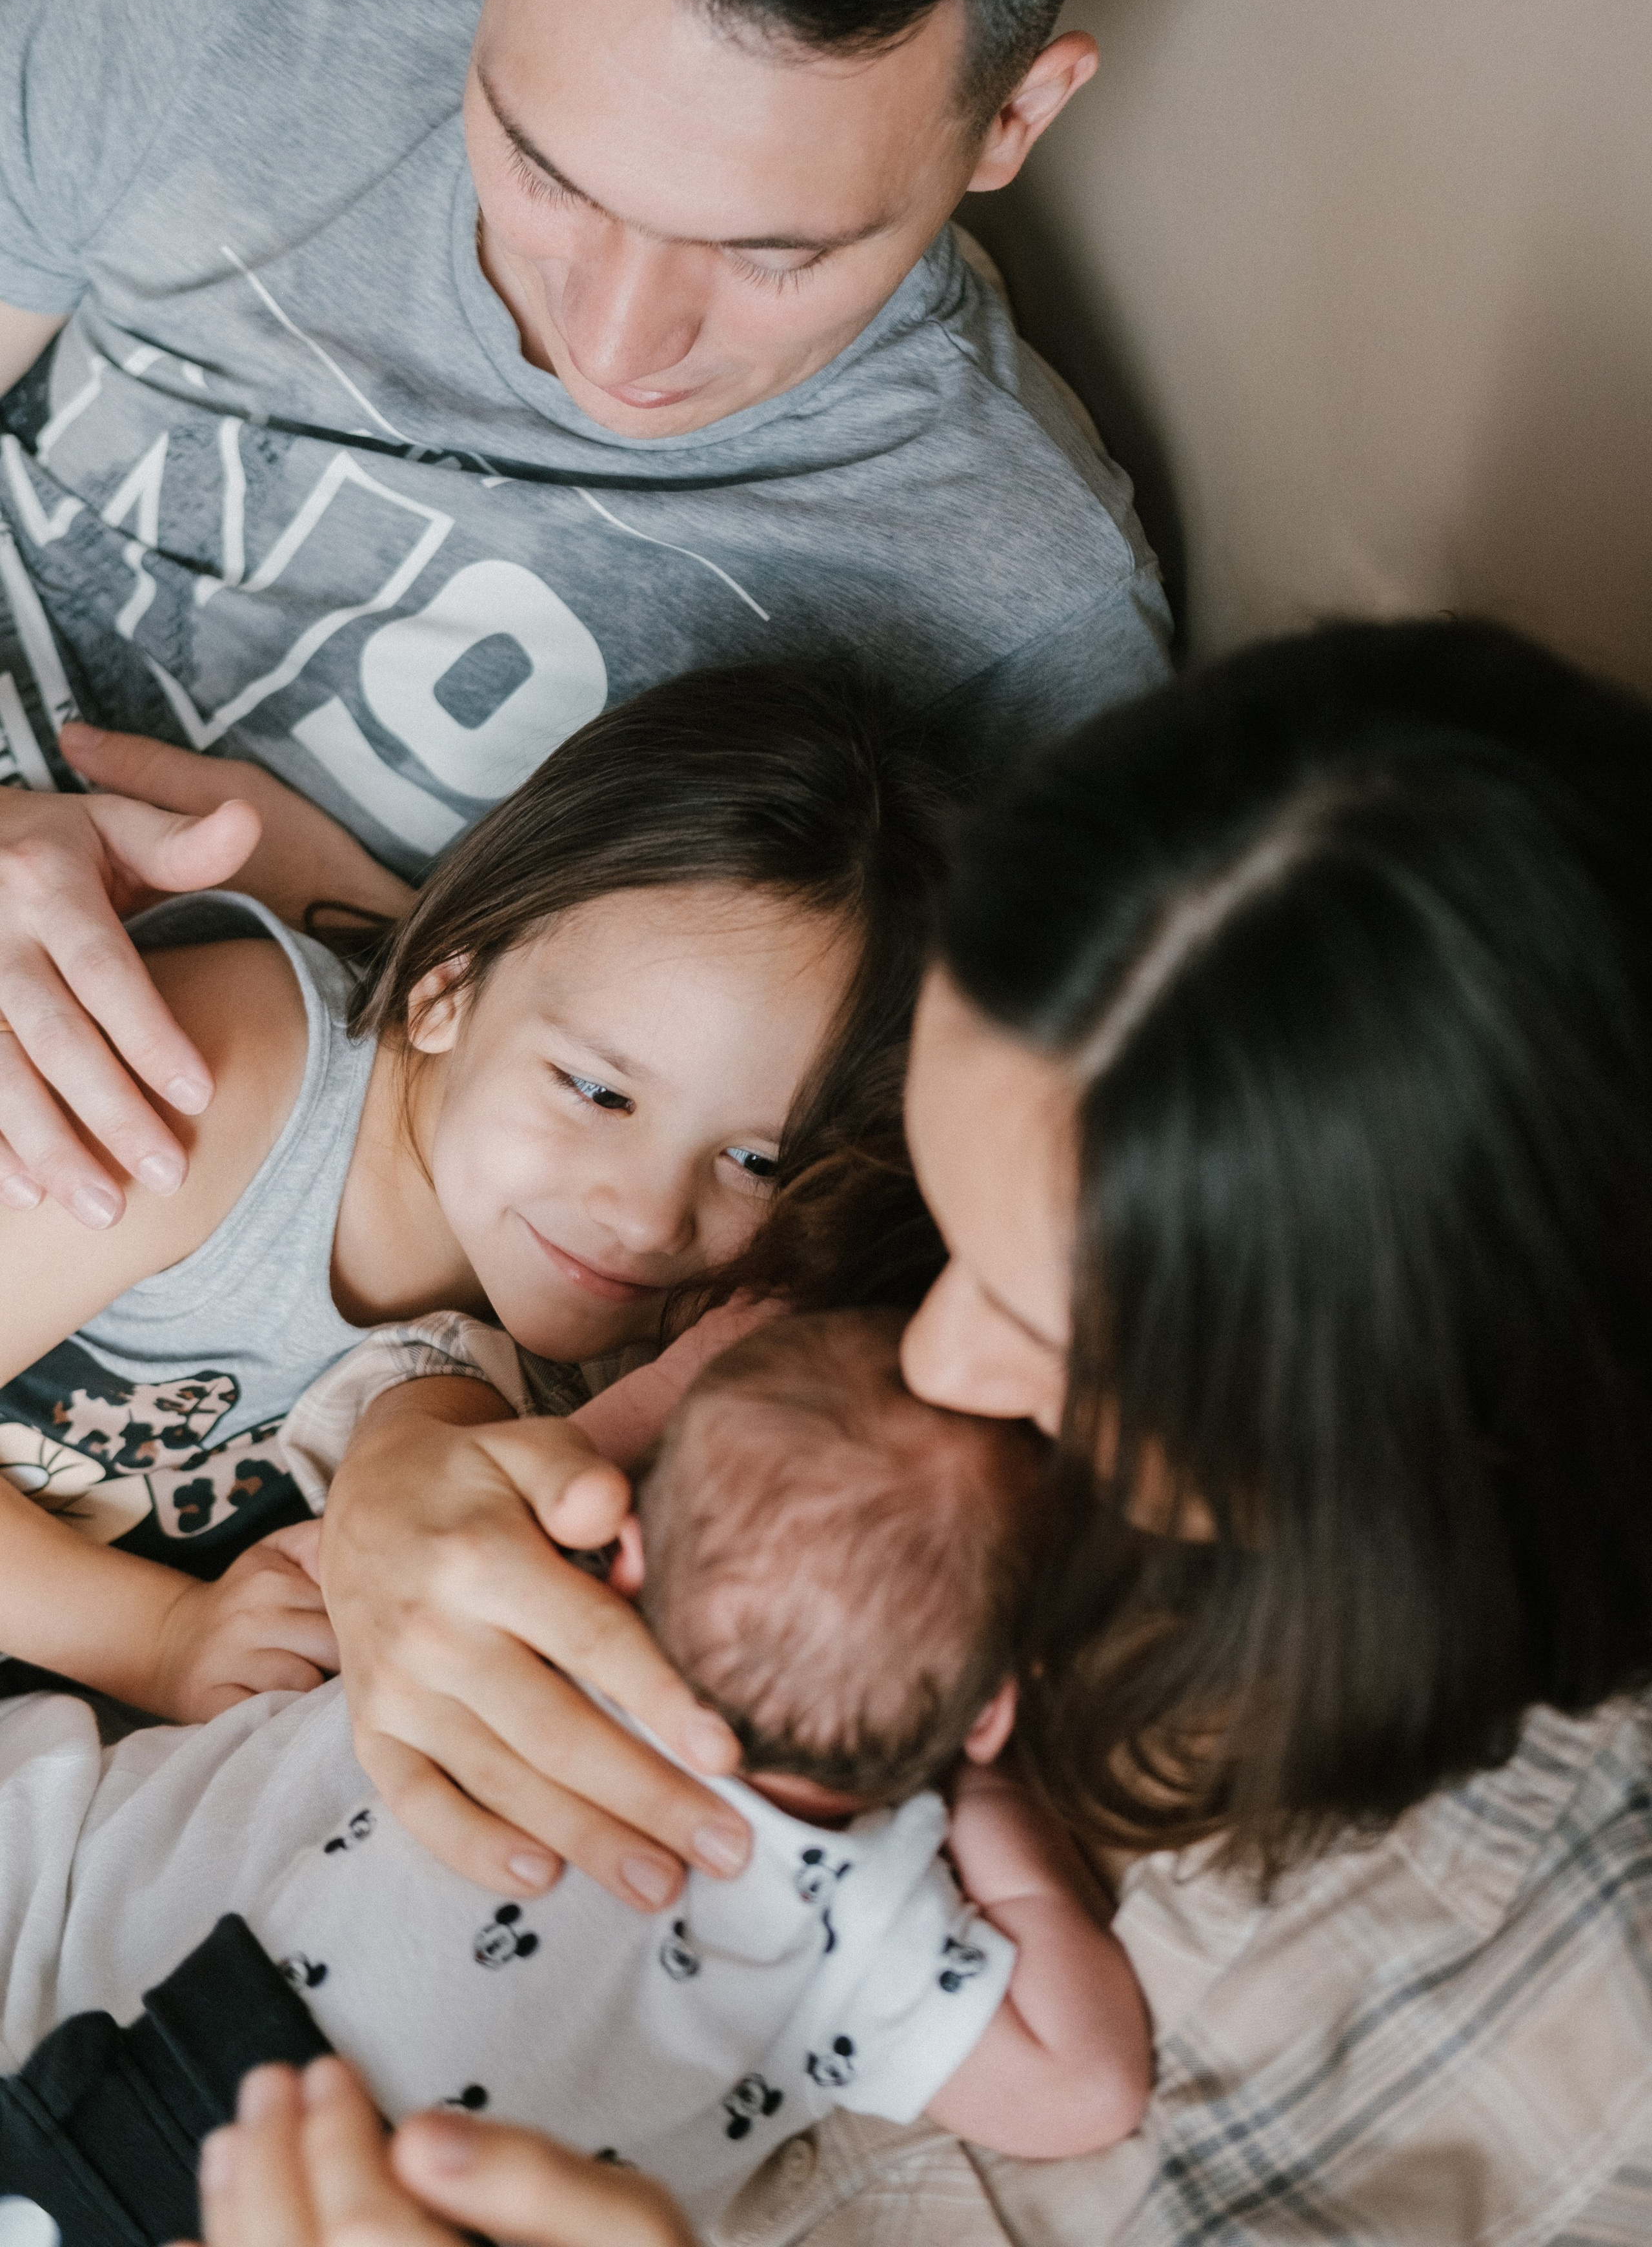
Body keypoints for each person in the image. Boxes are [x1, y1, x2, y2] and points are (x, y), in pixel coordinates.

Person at [247, 615, 1652, 2245]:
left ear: (1415, 1417)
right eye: (954, 1228)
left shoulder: (1540, 1978)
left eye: (1058, 1337)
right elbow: (518, 1361)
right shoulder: (870, 1305)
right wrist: (413, 1456)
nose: (935, 1353)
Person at [0, 0, 1170, 1230]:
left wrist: (383, 933)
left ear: (1013, 115)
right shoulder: (226, 3)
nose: (614, 349)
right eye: (544, 170)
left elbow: (923, 1238)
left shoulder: (1019, 621)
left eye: (773, 256)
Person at [0, 1312, 1152, 2244]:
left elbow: (536, 1462)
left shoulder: (534, 1604)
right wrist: (987, 1800)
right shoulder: (852, 1922)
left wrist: (675, 1378)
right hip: (337, 2201)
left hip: (79, 1948)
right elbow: (1083, 2090)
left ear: (628, 1548)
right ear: (992, 1712)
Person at [0, 660, 951, 1722]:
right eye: (598, 1092)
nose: (646, 1216)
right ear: (444, 990)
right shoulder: (221, 1082)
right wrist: (155, 1636)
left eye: (757, 1163)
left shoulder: (665, 1317)